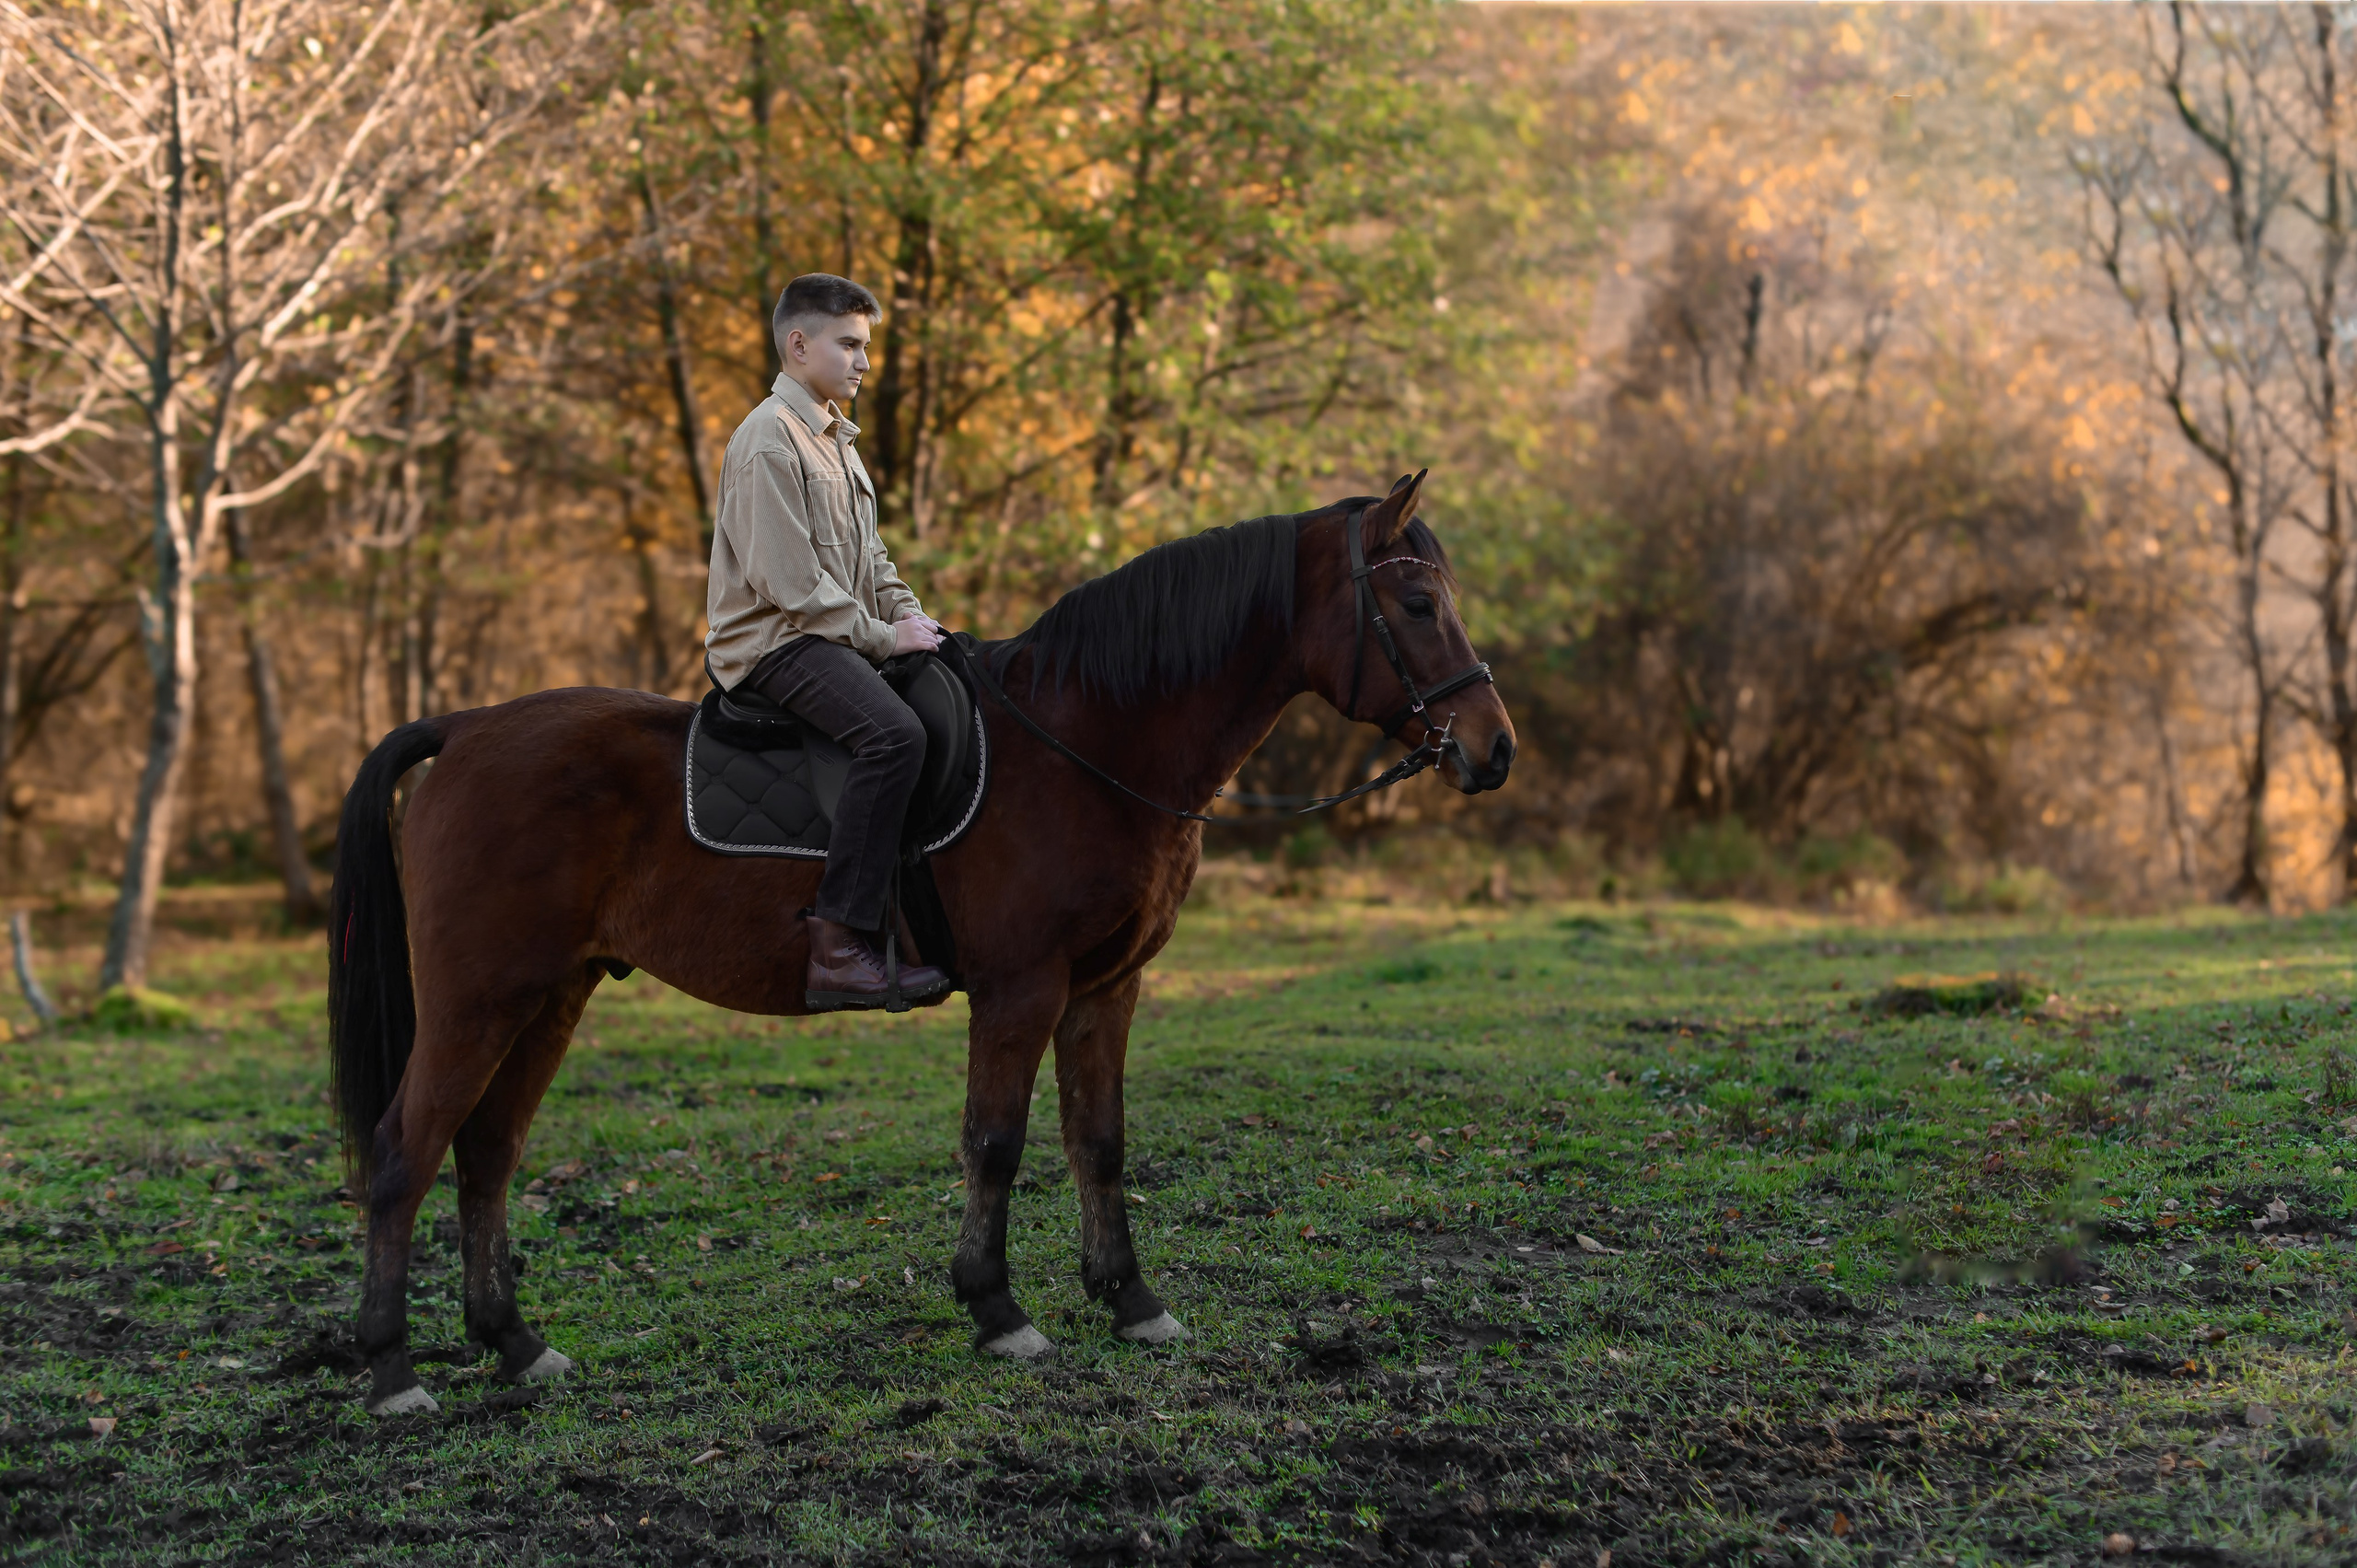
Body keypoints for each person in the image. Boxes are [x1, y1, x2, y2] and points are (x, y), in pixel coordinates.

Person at [705, 273, 951, 1009]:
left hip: (828, 633)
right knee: (893, 737)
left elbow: (872, 562)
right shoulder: (769, 442)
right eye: (849, 344)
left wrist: (919, 624)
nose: (864, 362)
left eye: (866, 346)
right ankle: (840, 941)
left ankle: (913, 925)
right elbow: (793, 588)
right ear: (799, 343)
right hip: (775, 645)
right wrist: (883, 638)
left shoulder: (836, 442)